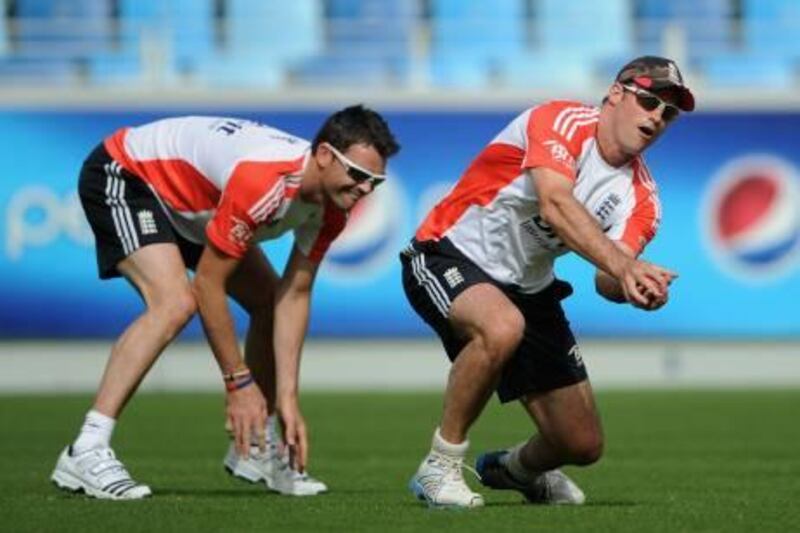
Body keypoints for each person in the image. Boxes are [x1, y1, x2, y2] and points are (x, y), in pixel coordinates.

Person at [51, 105, 400, 500]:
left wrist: (286, 399)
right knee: (174, 303)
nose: (365, 190)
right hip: (128, 174)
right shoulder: (265, 181)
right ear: (323, 155)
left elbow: (295, 295)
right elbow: (208, 286)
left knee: (268, 301)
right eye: (358, 175)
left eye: (375, 182)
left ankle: (254, 448)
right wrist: (238, 381)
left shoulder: (334, 208)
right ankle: (87, 448)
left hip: (196, 208)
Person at [400, 56, 693, 508]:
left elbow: (606, 280)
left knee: (581, 444)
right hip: (449, 251)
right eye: (649, 100)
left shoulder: (642, 200)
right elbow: (555, 203)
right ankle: (439, 466)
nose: (656, 116)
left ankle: (514, 470)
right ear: (616, 93)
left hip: (529, 289)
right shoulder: (559, 119)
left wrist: (637, 288)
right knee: (501, 326)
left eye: (668, 112)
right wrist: (624, 266)